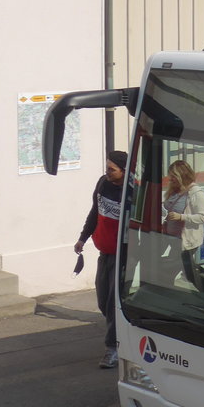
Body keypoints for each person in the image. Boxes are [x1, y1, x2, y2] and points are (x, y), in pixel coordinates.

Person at [75, 151, 128, 369]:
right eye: (107, 167)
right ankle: (120, 335)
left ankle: (112, 349)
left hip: (123, 254)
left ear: (123, 171)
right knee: (102, 298)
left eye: (112, 169)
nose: (107, 172)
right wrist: (82, 238)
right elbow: (94, 213)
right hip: (103, 251)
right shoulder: (102, 184)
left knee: (113, 301)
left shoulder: (132, 191)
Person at [161, 160, 204, 288]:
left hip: (185, 242)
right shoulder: (175, 190)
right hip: (172, 238)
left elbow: (202, 217)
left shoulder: (196, 193)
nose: (171, 179)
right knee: (189, 272)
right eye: (170, 175)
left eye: (174, 175)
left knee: (170, 271)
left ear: (183, 175)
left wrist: (181, 217)